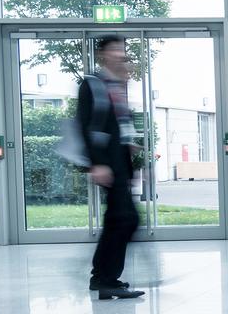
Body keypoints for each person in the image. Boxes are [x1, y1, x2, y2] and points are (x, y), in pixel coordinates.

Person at [79, 35, 145, 300]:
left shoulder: (117, 86)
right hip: (107, 162)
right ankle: (105, 278)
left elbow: (116, 125)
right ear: (102, 54)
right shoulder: (92, 84)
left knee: (117, 220)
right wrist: (97, 163)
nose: (121, 54)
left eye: (123, 50)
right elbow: (86, 126)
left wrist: (129, 145)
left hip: (120, 160)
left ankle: (103, 278)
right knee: (126, 219)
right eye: (115, 49)